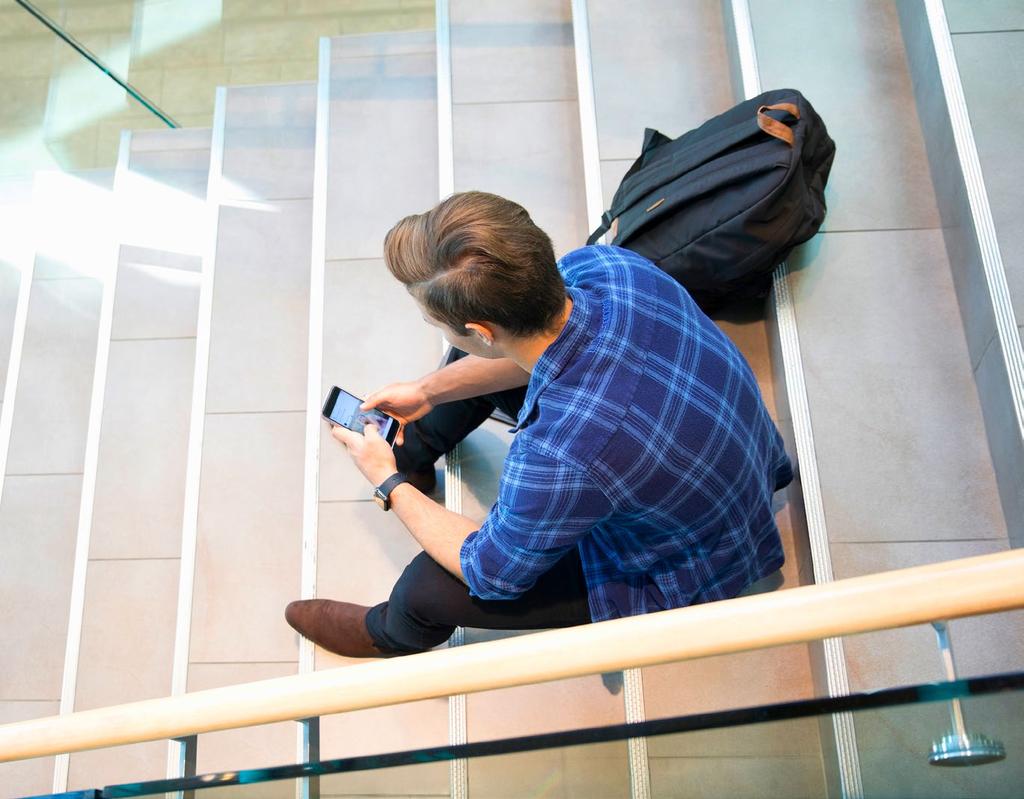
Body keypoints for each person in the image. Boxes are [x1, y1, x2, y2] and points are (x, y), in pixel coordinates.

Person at [285, 191, 793, 657]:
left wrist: (386, 480)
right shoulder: (610, 267)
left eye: (430, 318)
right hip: (722, 456)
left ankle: (393, 634)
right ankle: (415, 453)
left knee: (428, 587)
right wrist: (425, 392)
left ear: (482, 330)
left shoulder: (561, 451)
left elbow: (493, 571)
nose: (431, 324)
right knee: (466, 368)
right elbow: (529, 348)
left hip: (693, 553)